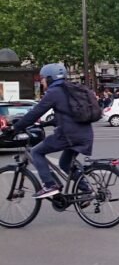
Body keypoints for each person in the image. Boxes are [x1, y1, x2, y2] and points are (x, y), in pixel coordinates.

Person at [9, 64, 94, 198]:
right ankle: (86, 190)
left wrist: (15, 127)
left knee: (35, 152)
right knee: (65, 164)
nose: (42, 82)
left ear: (49, 78)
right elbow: (68, 113)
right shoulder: (70, 89)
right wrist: (48, 122)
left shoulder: (54, 92)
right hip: (84, 134)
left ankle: (49, 185)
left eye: (42, 79)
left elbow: (36, 112)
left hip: (68, 136)